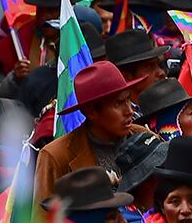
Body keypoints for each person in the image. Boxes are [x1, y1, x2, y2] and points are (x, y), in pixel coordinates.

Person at [34, 62, 141, 200]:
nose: (130, 111)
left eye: (128, 100)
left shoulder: (144, 137)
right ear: (90, 112)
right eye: (118, 103)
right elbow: (43, 218)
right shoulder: (56, 157)